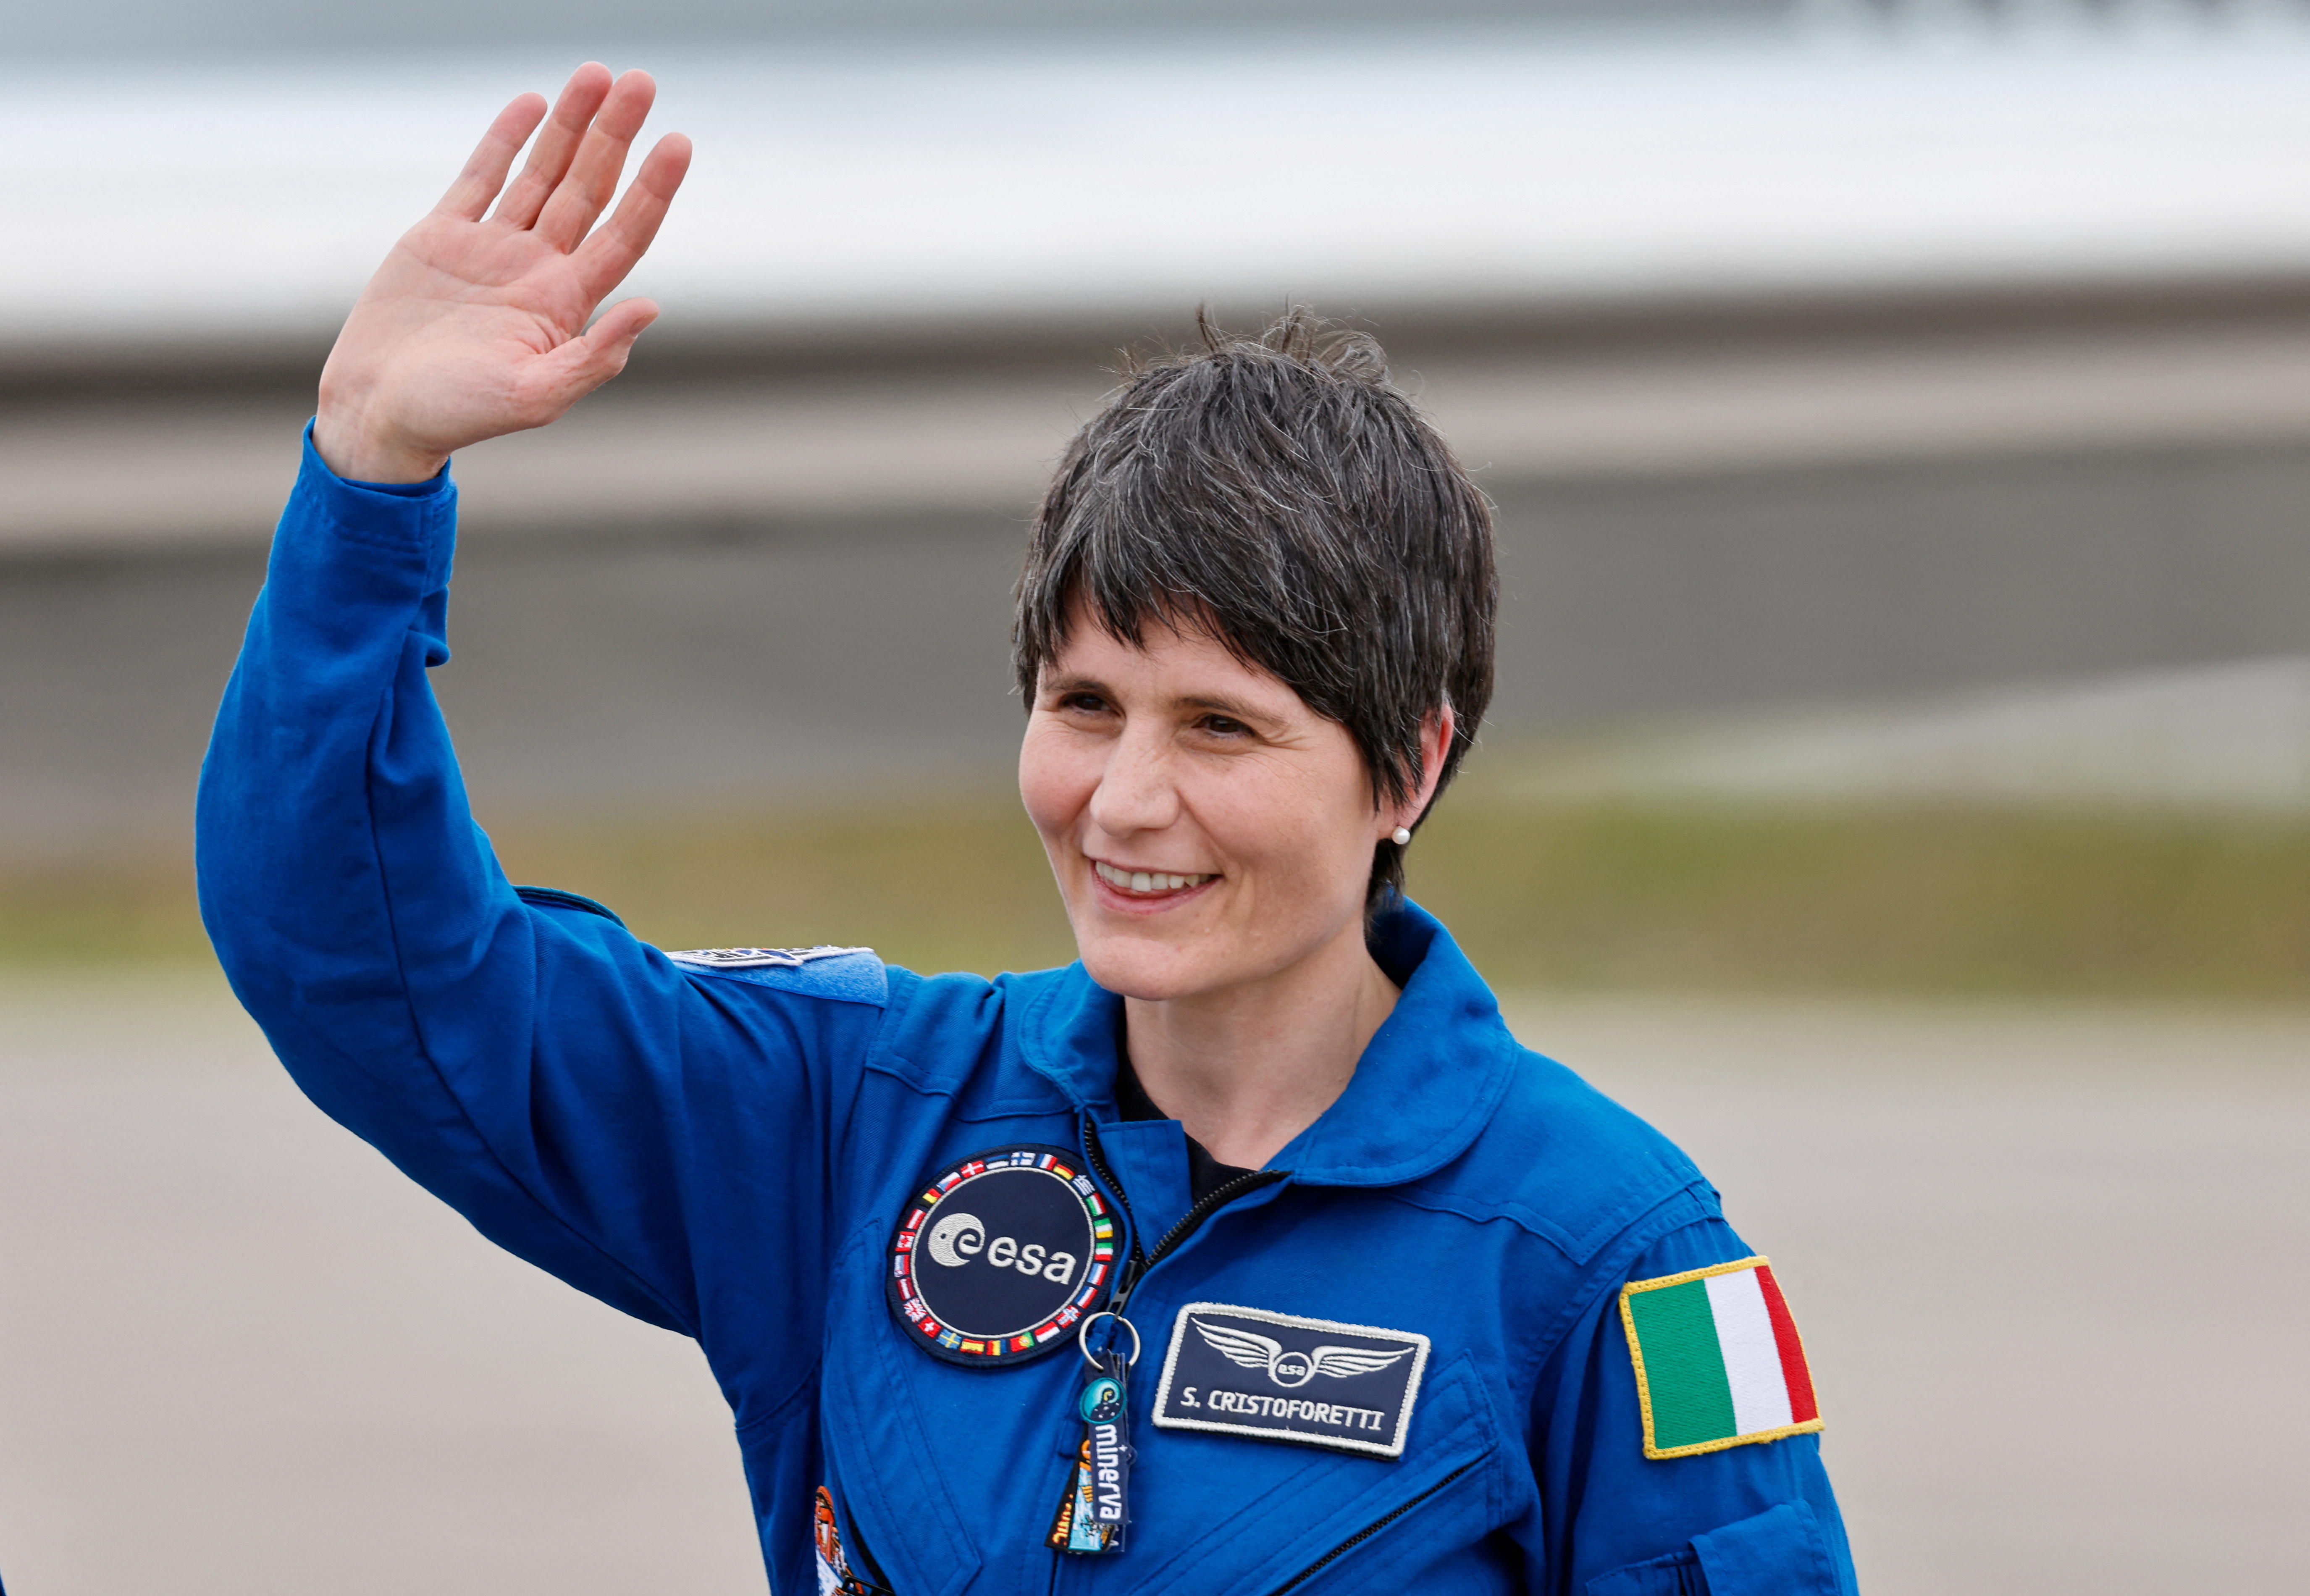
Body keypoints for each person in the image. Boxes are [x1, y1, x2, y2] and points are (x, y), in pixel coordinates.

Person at [197, 63, 1857, 1596]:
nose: (1126, 799)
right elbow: (365, 966)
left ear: (1408, 769)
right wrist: (371, 469)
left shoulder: (1612, 1259)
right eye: (1082, 706)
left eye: (1220, 724)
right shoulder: (851, 1116)